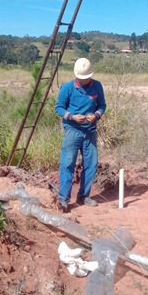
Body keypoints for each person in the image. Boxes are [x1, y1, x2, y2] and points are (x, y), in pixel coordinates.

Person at [55, 57, 106, 213]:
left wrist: (96, 115)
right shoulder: (67, 88)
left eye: (86, 78)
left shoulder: (97, 86)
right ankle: (63, 198)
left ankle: (83, 196)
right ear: (76, 75)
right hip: (72, 131)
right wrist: (72, 116)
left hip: (89, 131)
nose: (84, 81)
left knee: (90, 164)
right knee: (67, 164)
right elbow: (59, 108)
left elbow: (102, 105)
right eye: (81, 78)